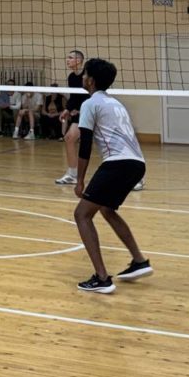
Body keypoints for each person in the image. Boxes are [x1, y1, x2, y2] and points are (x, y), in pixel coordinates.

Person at [73, 58, 152, 293]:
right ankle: (139, 261)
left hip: (117, 164)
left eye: (84, 74)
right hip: (137, 163)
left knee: (82, 214)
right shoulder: (115, 103)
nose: (82, 77)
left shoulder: (90, 104)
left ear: (91, 80)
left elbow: (85, 144)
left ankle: (102, 278)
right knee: (107, 209)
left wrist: (79, 180)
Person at [55, 50, 87, 185]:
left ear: (78, 61)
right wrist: (67, 109)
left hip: (93, 111)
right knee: (69, 138)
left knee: (108, 143)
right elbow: (74, 97)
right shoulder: (72, 77)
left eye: (70, 58)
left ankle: (136, 177)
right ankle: (72, 174)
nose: (67, 60)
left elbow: (90, 96)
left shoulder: (88, 75)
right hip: (81, 114)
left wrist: (80, 110)